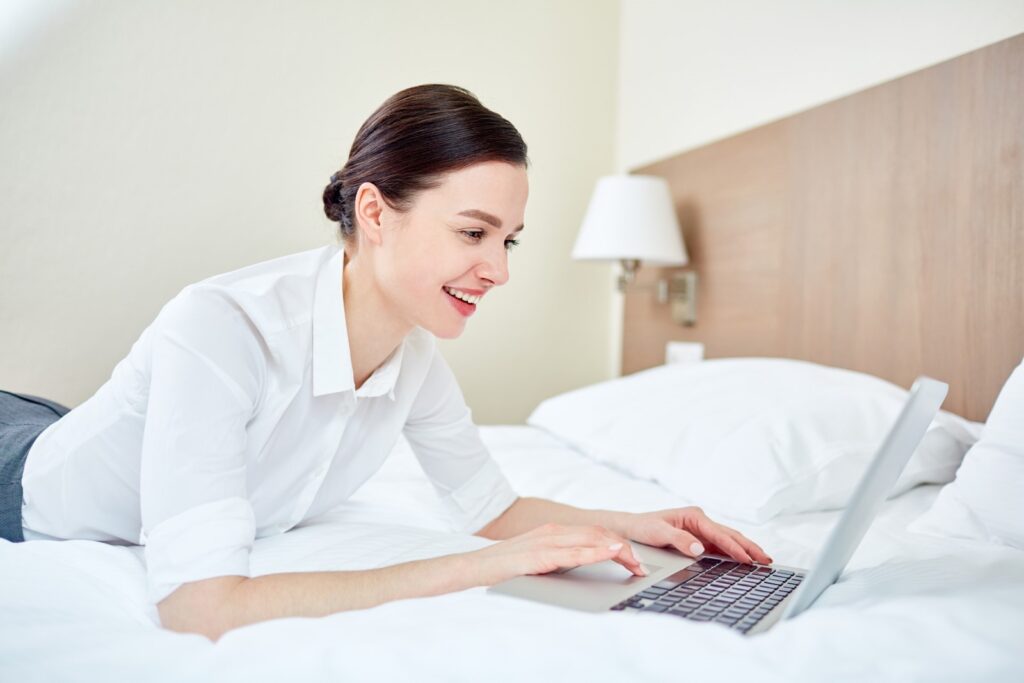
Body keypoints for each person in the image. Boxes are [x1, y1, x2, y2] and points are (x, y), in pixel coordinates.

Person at [0, 84, 772, 641]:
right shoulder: (223, 326)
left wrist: (639, 523)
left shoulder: (414, 353)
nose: (499, 270)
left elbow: (488, 510)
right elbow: (198, 607)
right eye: (473, 233)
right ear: (374, 213)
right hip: (27, 475)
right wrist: (482, 567)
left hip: (96, 439)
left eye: (508, 240)